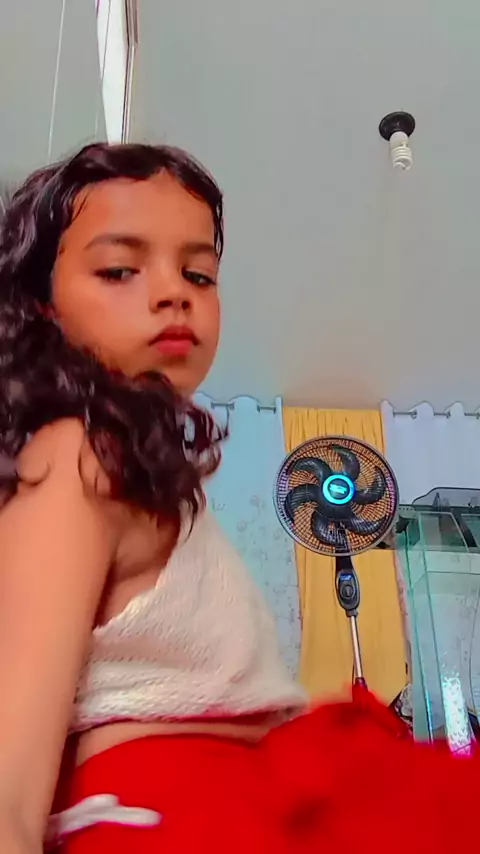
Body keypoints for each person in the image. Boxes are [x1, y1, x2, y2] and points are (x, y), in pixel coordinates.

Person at [0, 142, 477, 854]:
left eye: (199, 273)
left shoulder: (141, 476)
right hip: (170, 817)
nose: (174, 292)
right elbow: (10, 771)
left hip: (244, 795)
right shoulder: (75, 456)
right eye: (120, 269)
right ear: (42, 306)